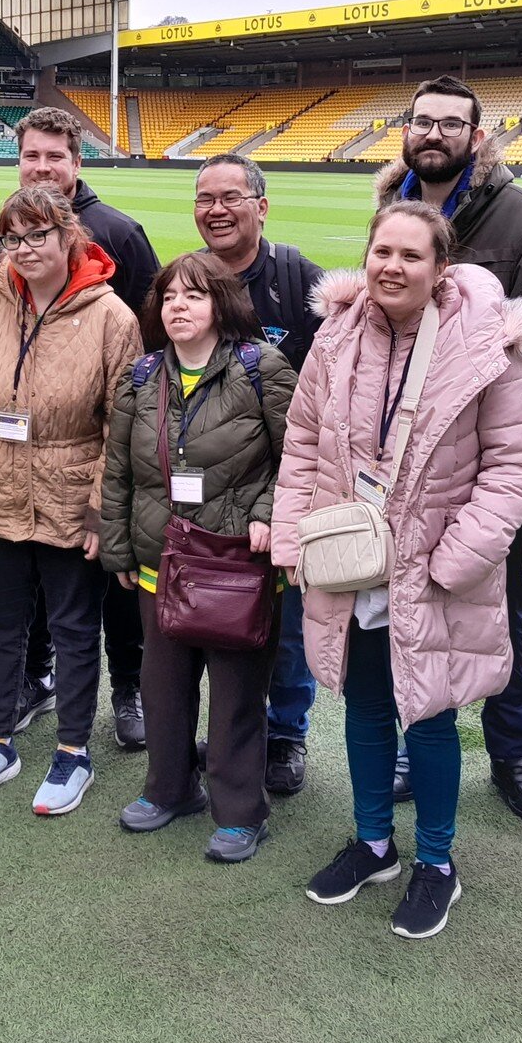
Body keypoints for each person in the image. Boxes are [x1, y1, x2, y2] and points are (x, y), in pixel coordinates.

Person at [272, 201, 522, 939]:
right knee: (363, 706)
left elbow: (516, 467)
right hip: (349, 555)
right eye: (381, 251)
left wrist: (453, 560)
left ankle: (436, 863)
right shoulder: (337, 333)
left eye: (410, 255)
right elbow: (301, 443)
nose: (391, 267)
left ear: (440, 267)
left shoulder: (486, 342)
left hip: (433, 566)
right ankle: (372, 845)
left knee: (426, 716)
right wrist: (296, 544)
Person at [374, 74, 522, 824]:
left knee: (498, 610)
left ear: (476, 138)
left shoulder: (520, 215)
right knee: (410, 611)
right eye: (424, 121)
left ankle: (513, 755)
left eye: (452, 124)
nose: (436, 134)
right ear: (407, 131)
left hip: (485, 464)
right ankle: (418, 744)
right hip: (406, 463)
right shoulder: (396, 208)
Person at [0, 186, 142, 815]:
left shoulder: (112, 318)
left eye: (37, 236)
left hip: (73, 495)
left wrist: (105, 511)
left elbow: (121, 426)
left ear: (67, 235)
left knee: (76, 629)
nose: (23, 249)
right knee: (1, 624)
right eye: (12, 238)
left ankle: (73, 751)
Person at [0, 105, 159, 750]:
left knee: (109, 586)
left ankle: (128, 687)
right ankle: (34, 678)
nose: (43, 167)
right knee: (30, 591)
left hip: (89, 445)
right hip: (19, 455)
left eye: (55, 156)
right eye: (32, 156)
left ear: (77, 162)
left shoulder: (120, 234)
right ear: (17, 159)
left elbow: (143, 343)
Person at [101, 252, 296, 863]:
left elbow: (299, 457)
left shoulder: (260, 367)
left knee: (238, 694)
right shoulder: (140, 376)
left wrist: (267, 512)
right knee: (164, 689)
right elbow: (116, 473)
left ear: (222, 305)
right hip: (160, 563)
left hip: (234, 565)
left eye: (195, 296)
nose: (178, 306)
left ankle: (240, 812)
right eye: (169, 296)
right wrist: (118, 546)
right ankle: (169, 789)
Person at [192, 152, 322, 795]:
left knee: (290, 623)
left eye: (230, 196)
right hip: (211, 492)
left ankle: (285, 733)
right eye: (205, 197)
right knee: (218, 612)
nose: (216, 209)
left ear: (261, 206)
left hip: (290, 486)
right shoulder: (187, 281)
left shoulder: (296, 277)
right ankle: (229, 726)